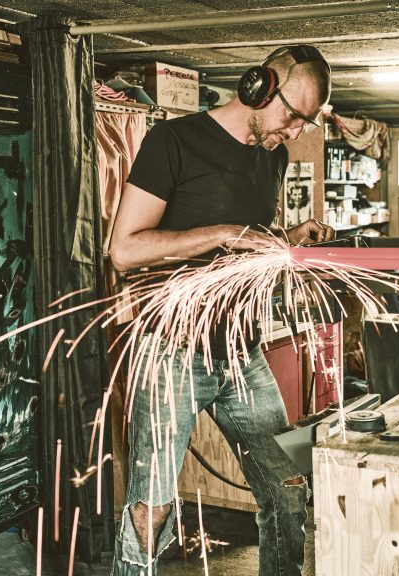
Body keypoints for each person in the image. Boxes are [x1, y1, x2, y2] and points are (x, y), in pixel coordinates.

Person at [108, 45, 334, 576]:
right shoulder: (174, 142)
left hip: (241, 350)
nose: (296, 133)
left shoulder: (271, 154)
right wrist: (219, 234)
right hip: (172, 352)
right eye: (292, 116)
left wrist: (287, 239)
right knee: (153, 507)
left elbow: (249, 242)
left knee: (288, 485)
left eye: (308, 122)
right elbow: (124, 250)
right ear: (258, 86)